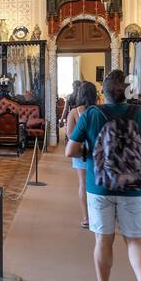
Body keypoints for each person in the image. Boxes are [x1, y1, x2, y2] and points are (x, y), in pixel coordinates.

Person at [65, 69, 141, 281]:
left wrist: (92, 157)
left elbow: (70, 150)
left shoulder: (91, 114)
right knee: (135, 240)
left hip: (99, 186)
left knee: (103, 240)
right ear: (127, 91)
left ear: (104, 93)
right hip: (134, 187)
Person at [62, 81, 99, 229]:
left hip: (81, 151)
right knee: (97, 182)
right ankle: (100, 214)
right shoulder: (98, 111)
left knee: (83, 184)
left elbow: (71, 134)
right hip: (97, 151)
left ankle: (86, 218)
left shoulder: (74, 112)